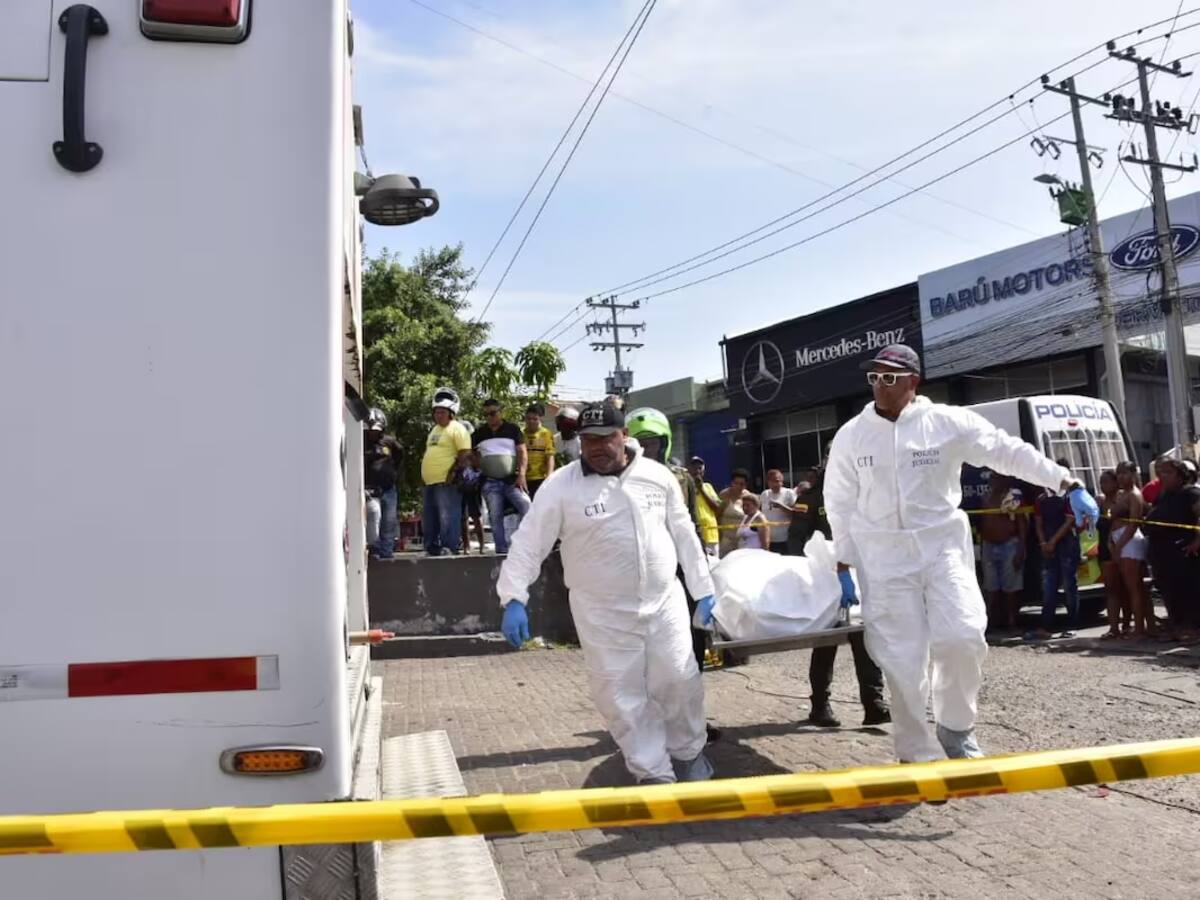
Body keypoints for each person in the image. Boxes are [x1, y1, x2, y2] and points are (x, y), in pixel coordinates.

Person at [824, 344, 1098, 763]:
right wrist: (843, 559)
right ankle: (916, 751)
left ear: (913, 382)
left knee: (963, 636)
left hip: (941, 548)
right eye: (874, 377)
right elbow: (839, 500)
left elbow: (1006, 450)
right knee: (900, 658)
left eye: (890, 377)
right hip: (882, 557)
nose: (880, 385)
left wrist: (1067, 483)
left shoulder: (946, 422)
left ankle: (955, 729)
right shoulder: (852, 434)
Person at [495, 402, 716, 785]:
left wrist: (704, 589)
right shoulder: (560, 486)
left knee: (680, 681)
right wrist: (514, 596)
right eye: (588, 440)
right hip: (601, 613)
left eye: (605, 438)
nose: (596, 448)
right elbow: (529, 542)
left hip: (664, 603)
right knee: (619, 694)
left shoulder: (657, 476)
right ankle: (653, 773)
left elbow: (683, 533)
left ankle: (689, 754)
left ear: (624, 436)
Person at [787, 464, 890, 729]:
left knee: (864, 638)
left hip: (856, 578)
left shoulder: (861, 495)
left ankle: (874, 704)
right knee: (825, 642)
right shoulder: (810, 499)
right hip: (822, 582)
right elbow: (795, 541)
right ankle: (820, 705)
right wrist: (806, 582)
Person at [1146, 456, 1200, 641]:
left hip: (1182, 551)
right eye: (1161, 472)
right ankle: (1176, 626)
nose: (1163, 476)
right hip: (1162, 552)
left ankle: (1192, 629)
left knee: (1187, 591)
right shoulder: (1163, 495)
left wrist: (1197, 540)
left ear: (1180, 475)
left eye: (1168, 472)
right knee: (1169, 591)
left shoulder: (1190, 493)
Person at [1030, 462, 1083, 640]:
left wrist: (1052, 542)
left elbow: (1069, 521)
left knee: (1069, 585)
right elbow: (1038, 523)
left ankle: (1072, 625)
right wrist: (1044, 543)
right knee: (1049, 586)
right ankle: (1046, 626)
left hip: (1067, 545)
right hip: (1049, 546)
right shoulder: (1042, 498)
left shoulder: (1071, 496)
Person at [472, 399, 531, 555]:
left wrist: (522, 475)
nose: (489, 417)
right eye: (486, 414)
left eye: (492, 413)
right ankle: (501, 550)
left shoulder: (512, 429)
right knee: (495, 515)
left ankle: (525, 544)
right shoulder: (480, 433)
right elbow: (469, 452)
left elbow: (522, 452)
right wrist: (479, 463)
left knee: (527, 506)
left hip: (512, 480)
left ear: (500, 412)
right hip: (490, 482)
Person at [421, 387, 472, 556]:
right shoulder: (434, 430)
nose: (438, 415)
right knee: (430, 517)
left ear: (451, 413)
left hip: (447, 482)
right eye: (436, 412)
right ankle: (431, 548)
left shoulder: (458, 428)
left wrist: (454, 472)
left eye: (442, 412)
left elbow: (465, 453)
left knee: (448, 516)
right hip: (430, 482)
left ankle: (449, 547)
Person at [978, 473, 1028, 633]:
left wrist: (1021, 548)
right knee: (991, 587)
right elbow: (983, 521)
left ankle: (1011, 622)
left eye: (997, 478)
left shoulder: (1013, 496)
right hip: (988, 545)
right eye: (992, 478)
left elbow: (1021, 522)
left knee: (1010, 588)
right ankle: (992, 621)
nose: (993, 481)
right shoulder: (987, 496)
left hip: (1009, 545)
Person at [1111, 460, 1155, 638]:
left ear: (1133, 474)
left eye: (1125, 473)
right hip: (1119, 540)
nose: (1121, 477)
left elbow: (1134, 523)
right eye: (1119, 473)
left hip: (1129, 542)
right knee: (1131, 587)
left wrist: (1119, 546)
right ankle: (1146, 626)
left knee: (1134, 587)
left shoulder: (1135, 495)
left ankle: (1139, 629)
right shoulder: (1121, 494)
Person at [363, 408, 403, 559]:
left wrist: (392, 473)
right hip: (370, 491)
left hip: (389, 489)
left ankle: (387, 553)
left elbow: (400, 455)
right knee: (374, 515)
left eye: (376, 430)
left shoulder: (390, 442)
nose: (373, 433)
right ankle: (374, 549)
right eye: (370, 430)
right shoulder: (360, 443)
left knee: (389, 521)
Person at [1096, 470, 1130, 640]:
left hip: (1123, 546)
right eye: (1101, 482)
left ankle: (1127, 625)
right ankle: (1113, 627)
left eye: (1107, 482)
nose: (1103, 485)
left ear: (1116, 483)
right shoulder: (1099, 502)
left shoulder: (1124, 499)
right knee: (1111, 589)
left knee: (1126, 588)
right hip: (1105, 548)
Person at [687, 456, 723, 557]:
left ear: (703, 471)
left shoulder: (708, 486)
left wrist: (701, 490)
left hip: (710, 535)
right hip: (694, 534)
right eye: (694, 468)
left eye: (700, 468)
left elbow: (717, 508)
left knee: (713, 563)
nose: (697, 471)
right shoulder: (685, 488)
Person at [523, 403, 556, 498]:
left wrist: (549, 477)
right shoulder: (521, 434)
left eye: (534, 419)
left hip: (540, 478)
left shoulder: (546, 434)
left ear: (540, 419)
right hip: (524, 478)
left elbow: (550, 456)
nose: (531, 421)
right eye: (528, 419)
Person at [760, 469, 796, 554]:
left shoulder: (789, 493)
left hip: (785, 538)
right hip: (769, 539)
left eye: (777, 481)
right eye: (772, 481)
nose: (775, 484)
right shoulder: (764, 494)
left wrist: (781, 506)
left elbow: (796, 514)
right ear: (768, 482)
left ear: (782, 482)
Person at [718, 469, 751, 557]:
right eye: (736, 483)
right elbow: (718, 515)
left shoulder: (748, 496)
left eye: (742, 484)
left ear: (745, 485)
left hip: (742, 539)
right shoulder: (724, 495)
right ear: (731, 483)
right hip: (726, 538)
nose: (738, 486)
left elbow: (751, 516)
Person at [459, 448, 486, 555]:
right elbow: (459, 480)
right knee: (464, 520)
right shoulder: (464, 470)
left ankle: (482, 545)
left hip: (475, 496)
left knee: (477, 519)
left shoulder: (481, 472)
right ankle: (466, 546)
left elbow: (482, 483)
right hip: (464, 494)